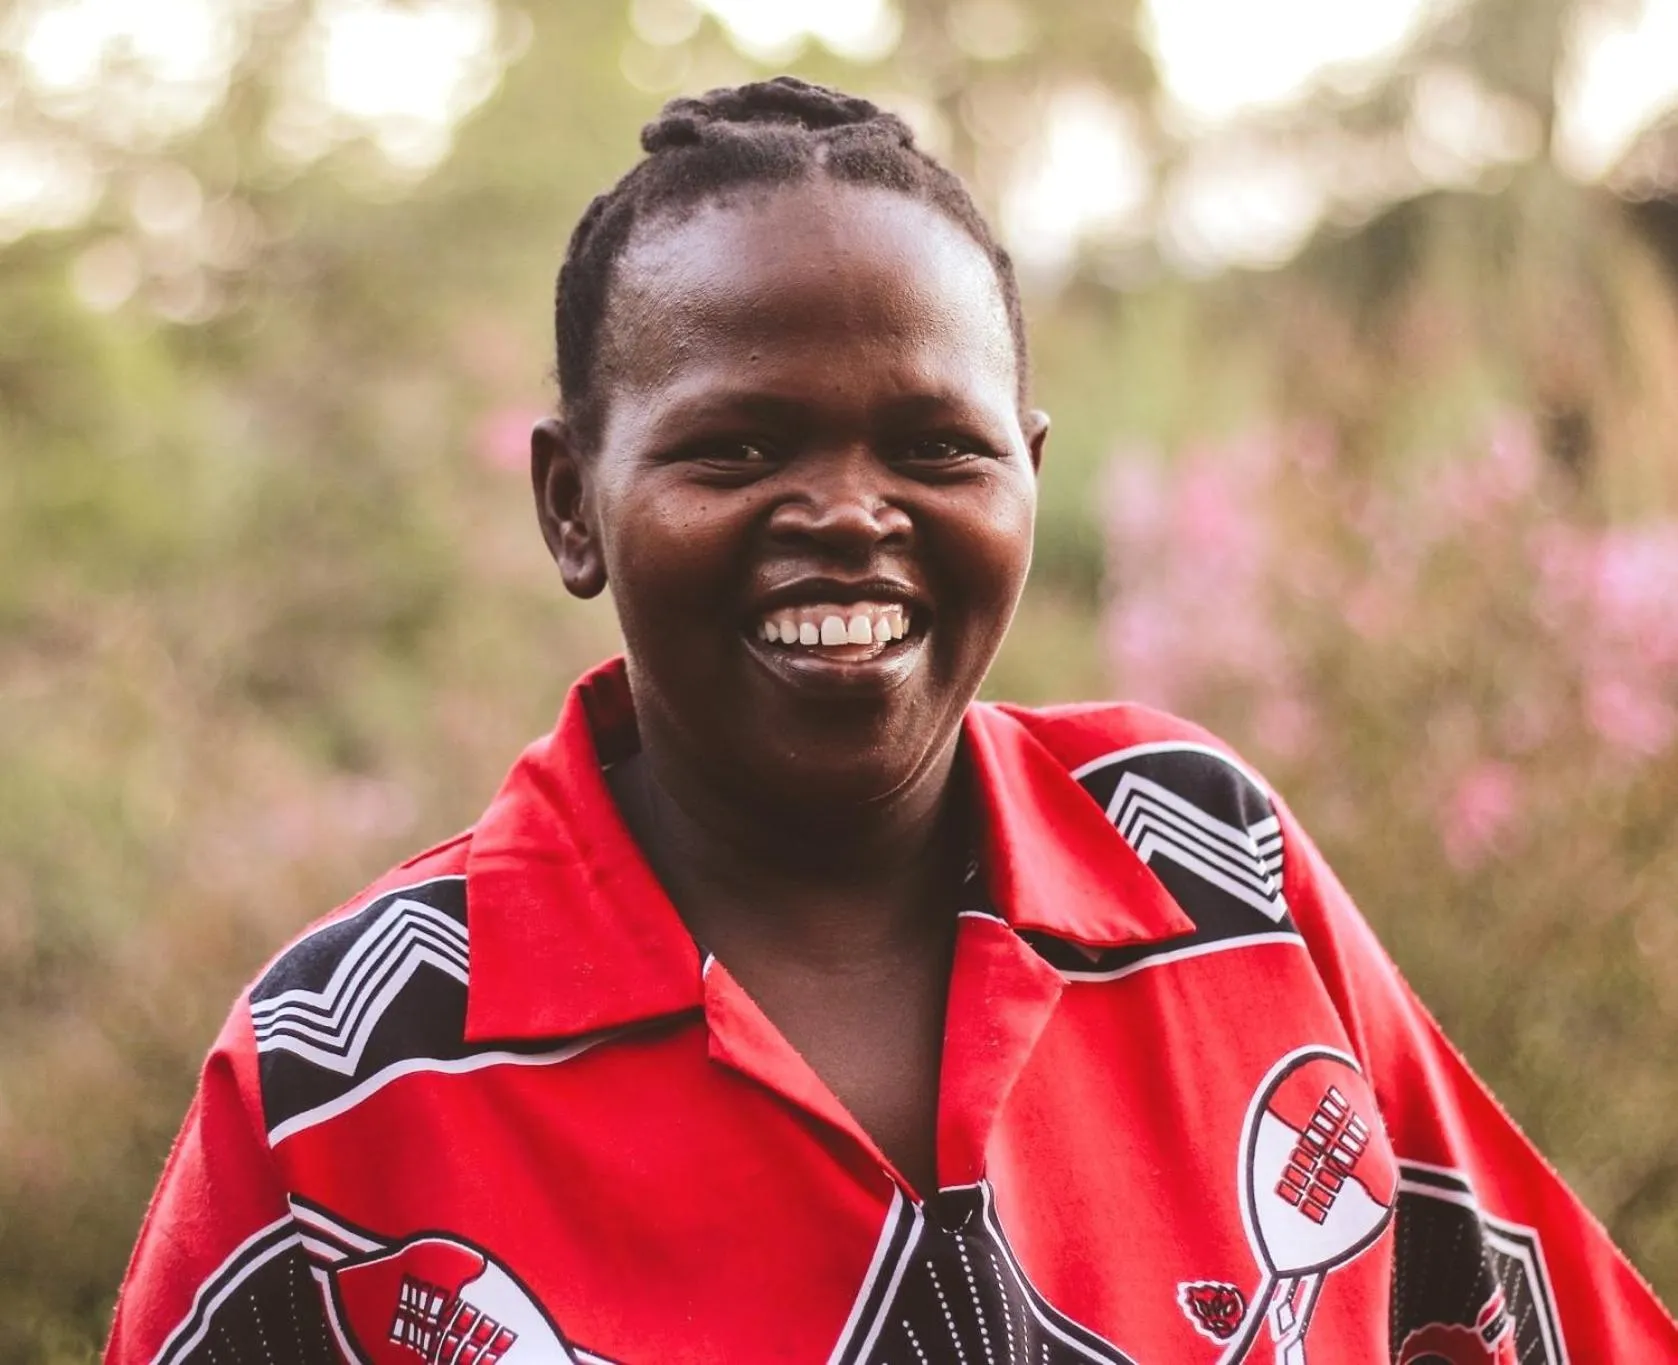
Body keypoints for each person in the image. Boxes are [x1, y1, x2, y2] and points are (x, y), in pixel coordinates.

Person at [105, 77, 1676, 1365]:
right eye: (734, 447)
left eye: (937, 445)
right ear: (570, 505)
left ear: (1031, 477)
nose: (851, 515)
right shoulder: (346, 1082)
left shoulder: (1210, 880)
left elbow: (1526, 1322)